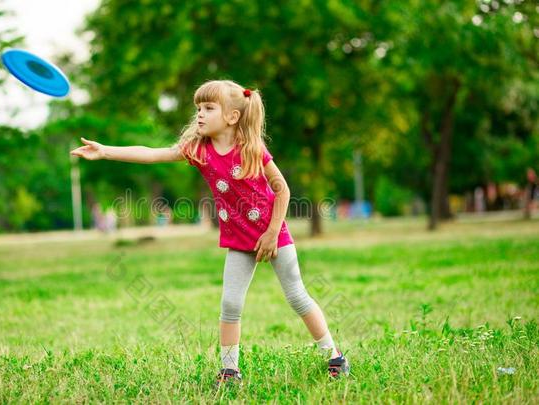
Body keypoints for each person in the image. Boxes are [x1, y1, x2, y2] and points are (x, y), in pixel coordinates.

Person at [70, 80, 349, 388]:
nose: (199, 114)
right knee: (230, 305)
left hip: (273, 234)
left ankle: (334, 356)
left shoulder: (252, 148)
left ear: (231, 116)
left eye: (208, 108)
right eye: (198, 108)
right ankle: (230, 371)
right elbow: (152, 154)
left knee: (297, 296)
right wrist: (105, 151)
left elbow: (282, 190)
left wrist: (272, 233)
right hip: (240, 240)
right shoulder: (198, 150)